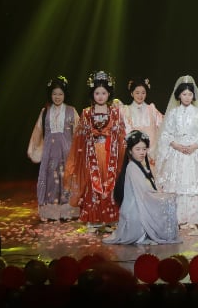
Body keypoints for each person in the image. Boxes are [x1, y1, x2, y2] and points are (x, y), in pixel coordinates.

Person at [64, 70, 127, 230]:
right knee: (93, 184)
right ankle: (94, 219)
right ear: (92, 94)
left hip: (109, 154)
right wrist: (90, 135)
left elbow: (121, 134)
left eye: (103, 93)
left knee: (109, 183)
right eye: (97, 93)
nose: (100, 96)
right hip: (91, 154)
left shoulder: (115, 112)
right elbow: (79, 136)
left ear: (109, 94)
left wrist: (111, 136)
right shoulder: (86, 113)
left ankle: (110, 218)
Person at [155, 75, 198, 229]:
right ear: (179, 95)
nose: (187, 97)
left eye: (190, 94)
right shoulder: (173, 113)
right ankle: (178, 218)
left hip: (193, 154)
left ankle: (195, 218)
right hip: (177, 154)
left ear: (193, 95)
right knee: (177, 185)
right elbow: (165, 134)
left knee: (194, 185)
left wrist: (195, 145)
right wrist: (175, 145)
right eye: (184, 94)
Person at [104, 130, 181, 245]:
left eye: (144, 149)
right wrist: (164, 197)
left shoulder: (139, 166)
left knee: (168, 199)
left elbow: (146, 192)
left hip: (140, 204)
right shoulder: (132, 167)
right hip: (135, 211)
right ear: (130, 151)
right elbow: (144, 194)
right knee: (168, 201)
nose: (142, 152)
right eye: (138, 149)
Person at [27, 75, 80, 221]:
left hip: (67, 152)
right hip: (49, 153)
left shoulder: (71, 111)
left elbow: (79, 132)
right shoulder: (45, 111)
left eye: (60, 94)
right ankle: (51, 212)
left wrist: (79, 152)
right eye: (54, 94)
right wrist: (34, 149)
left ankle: (68, 211)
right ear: (50, 95)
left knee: (67, 180)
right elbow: (38, 131)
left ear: (65, 95)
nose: (57, 97)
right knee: (51, 180)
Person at [122, 77, 163, 167]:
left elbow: (162, 126)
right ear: (132, 93)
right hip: (134, 152)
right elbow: (126, 132)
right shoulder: (126, 110)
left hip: (152, 152)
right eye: (137, 93)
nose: (140, 96)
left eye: (143, 93)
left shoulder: (152, 109)